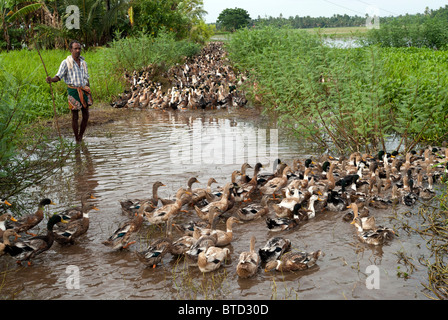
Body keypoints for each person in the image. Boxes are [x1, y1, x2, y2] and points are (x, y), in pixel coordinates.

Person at [46, 40, 92, 143]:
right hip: (73, 91)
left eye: (79, 48)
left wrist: (89, 92)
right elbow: (59, 76)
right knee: (75, 116)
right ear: (71, 50)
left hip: (84, 90)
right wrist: (51, 80)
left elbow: (86, 78)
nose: (77, 50)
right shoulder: (66, 63)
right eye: (75, 48)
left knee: (86, 115)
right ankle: (77, 138)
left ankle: (80, 136)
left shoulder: (84, 63)